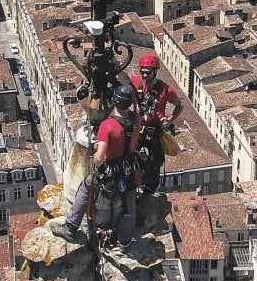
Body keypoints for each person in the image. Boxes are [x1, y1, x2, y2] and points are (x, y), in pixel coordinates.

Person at [51, 83, 140, 243]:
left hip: (112, 171)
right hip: (128, 169)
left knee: (86, 186)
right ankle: (125, 241)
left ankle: (70, 227)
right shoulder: (135, 120)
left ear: (113, 101)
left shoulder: (108, 126)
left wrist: (99, 168)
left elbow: (99, 158)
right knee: (129, 201)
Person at [129, 54, 183, 194]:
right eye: (142, 72)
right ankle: (131, 184)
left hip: (155, 131)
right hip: (139, 129)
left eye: (148, 72)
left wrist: (169, 121)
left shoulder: (166, 90)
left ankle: (149, 190)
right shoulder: (137, 83)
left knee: (154, 163)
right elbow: (122, 76)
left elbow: (179, 106)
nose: (145, 75)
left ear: (155, 71)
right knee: (129, 156)